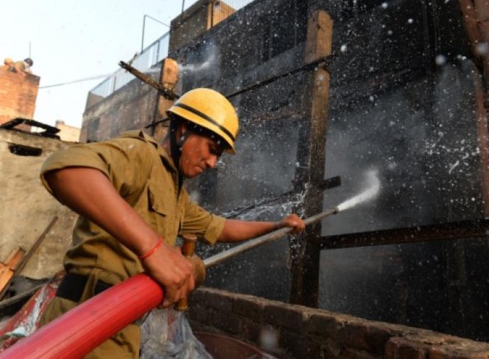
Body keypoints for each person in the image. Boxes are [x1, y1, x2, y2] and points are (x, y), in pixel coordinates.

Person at [38, 88, 305, 358]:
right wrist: (154, 249)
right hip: (84, 318)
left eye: (219, 156)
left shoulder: (177, 194)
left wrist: (277, 226)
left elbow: (221, 227)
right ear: (183, 130)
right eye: (212, 149)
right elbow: (67, 170)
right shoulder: (142, 154)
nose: (213, 163)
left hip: (122, 326)